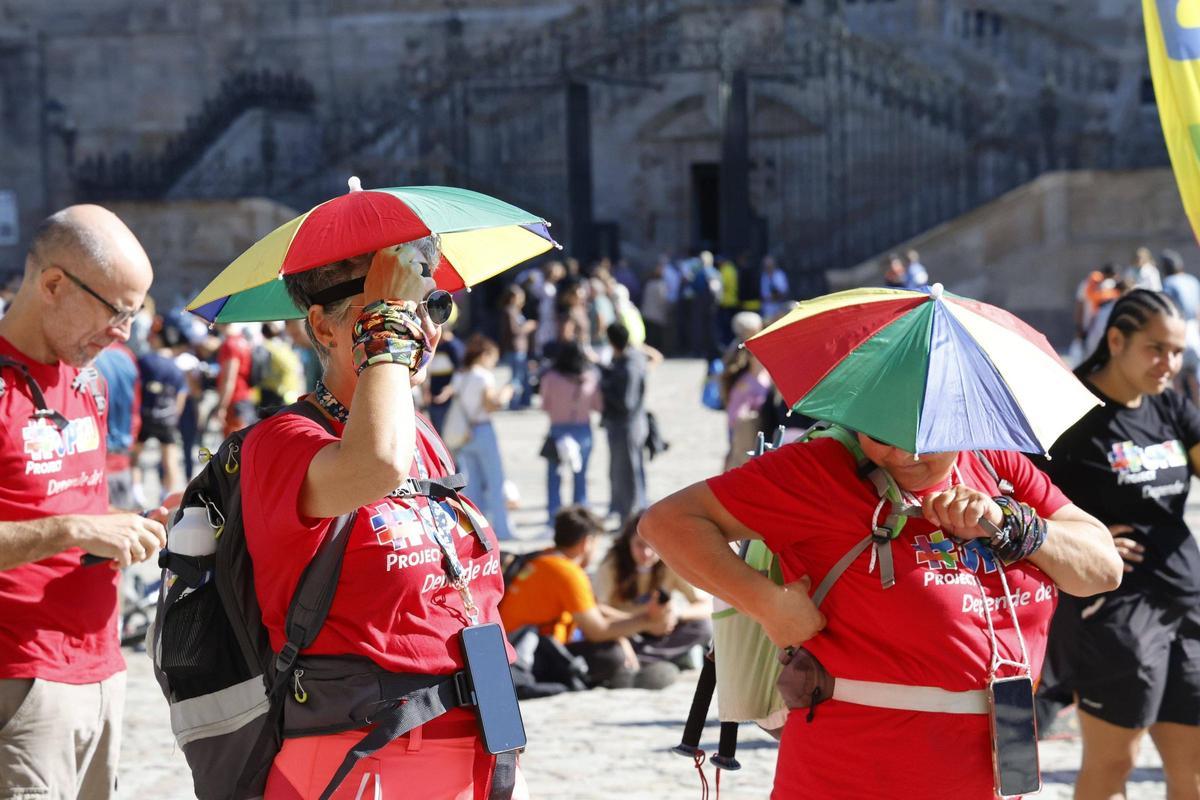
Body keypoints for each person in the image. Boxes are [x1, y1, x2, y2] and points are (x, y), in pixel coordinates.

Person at [639, 400, 1122, 796]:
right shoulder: (821, 470)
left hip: (997, 761)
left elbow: (1102, 569)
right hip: (858, 768)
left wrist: (1013, 524)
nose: (897, 453)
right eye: (877, 432)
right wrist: (766, 603)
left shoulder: (997, 465)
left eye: (921, 436)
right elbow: (668, 523)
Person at [242, 239, 528, 798]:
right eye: (389, 306)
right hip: (365, 754)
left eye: (432, 305)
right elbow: (374, 465)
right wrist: (388, 327)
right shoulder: (283, 441)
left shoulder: (419, 433)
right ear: (323, 327)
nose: (420, 328)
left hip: (473, 740)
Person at [0, 205, 169, 798]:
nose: (125, 332)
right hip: (21, 678)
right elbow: (66, 521)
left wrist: (136, 525)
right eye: (117, 311)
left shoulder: (88, 379)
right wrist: (73, 529)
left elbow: (75, 510)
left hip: (103, 668)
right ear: (52, 285)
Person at [1041, 289, 1200, 800]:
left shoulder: (1171, 405)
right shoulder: (1068, 413)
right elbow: (1022, 498)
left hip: (1187, 600)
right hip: (1115, 612)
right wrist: (1083, 536)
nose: (1169, 364)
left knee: (1193, 772)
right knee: (1114, 767)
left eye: (1177, 352)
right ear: (1116, 339)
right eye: (1156, 349)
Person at [498, 505, 677, 689]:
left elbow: (593, 608)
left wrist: (640, 622)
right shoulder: (568, 573)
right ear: (587, 542)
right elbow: (597, 630)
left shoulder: (545, 556)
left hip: (512, 643)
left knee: (616, 640)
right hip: (529, 653)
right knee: (612, 655)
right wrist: (647, 621)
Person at [593, 511, 712, 673]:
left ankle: (642, 659)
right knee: (608, 649)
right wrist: (641, 621)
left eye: (652, 545)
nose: (646, 553)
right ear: (628, 542)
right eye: (640, 545)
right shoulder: (612, 564)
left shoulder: (671, 559)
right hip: (624, 628)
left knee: (703, 627)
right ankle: (665, 657)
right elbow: (597, 609)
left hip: (662, 628)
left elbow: (705, 604)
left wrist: (675, 615)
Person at [449, 334, 516, 540]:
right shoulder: (483, 376)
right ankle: (503, 531)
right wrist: (506, 394)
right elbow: (490, 405)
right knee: (495, 482)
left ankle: (477, 531)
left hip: (465, 434)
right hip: (483, 430)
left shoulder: (460, 376)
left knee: (474, 485)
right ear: (485, 355)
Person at [539, 340, 602, 525]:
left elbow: (545, 405)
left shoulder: (550, 377)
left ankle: (553, 517)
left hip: (558, 429)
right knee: (580, 476)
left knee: (554, 477)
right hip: (583, 429)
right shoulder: (590, 377)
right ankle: (580, 516)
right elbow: (597, 405)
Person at [600, 322, 649, 525]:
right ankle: (628, 516)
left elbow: (625, 402)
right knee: (629, 470)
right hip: (634, 424)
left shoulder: (628, 366)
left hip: (626, 426)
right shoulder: (635, 358)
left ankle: (629, 520)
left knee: (627, 474)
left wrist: (603, 385)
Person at [135, 318, 189, 501]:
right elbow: (180, 397)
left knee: (135, 456)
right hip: (168, 418)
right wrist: (174, 416)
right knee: (170, 459)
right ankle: (167, 495)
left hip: (145, 415)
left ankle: (136, 491)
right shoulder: (177, 368)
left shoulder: (144, 361)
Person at [92, 341, 141, 509]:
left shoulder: (86, 358)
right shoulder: (126, 354)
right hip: (122, 450)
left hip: (95, 458)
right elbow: (135, 406)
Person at [1160, 250, 1200, 402]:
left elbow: (1167, 312)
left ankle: (1182, 414)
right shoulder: (1192, 281)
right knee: (1195, 379)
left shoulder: (1168, 284)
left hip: (1179, 334)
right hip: (1194, 333)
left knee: (1177, 379)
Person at [497, 283, 537, 409]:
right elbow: (514, 331)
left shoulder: (516, 311)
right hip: (513, 349)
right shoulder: (509, 311)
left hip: (520, 349)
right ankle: (514, 403)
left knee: (524, 376)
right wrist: (528, 326)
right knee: (516, 378)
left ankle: (524, 402)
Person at [213, 323, 255, 437]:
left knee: (233, 446)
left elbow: (229, 378)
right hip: (244, 397)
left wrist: (222, 407)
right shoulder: (243, 341)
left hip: (234, 400)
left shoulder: (229, 344)